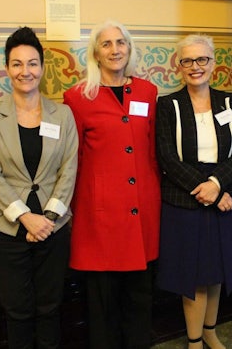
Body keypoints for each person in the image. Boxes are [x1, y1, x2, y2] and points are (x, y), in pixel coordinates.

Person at [0, 26, 78, 349]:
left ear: (43, 67)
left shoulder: (62, 115)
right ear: (7, 68)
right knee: (17, 312)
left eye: (32, 63)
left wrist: (47, 218)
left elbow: (69, 168)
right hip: (7, 229)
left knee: (50, 308)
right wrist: (26, 218)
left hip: (53, 227)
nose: (26, 71)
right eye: (17, 64)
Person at [63, 20, 161, 349]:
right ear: (95, 53)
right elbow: (71, 159)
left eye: (121, 42)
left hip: (141, 213)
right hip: (100, 217)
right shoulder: (78, 97)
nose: (115, 49)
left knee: (139, 300)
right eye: (106, 44)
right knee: (102, 305)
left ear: (129, 49)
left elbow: (151, 152)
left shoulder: (147, 92)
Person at [156, 34, 232, 349]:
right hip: (184, 202)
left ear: (213, 64)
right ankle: (195, 341)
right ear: (179, 66)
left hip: (223, 198)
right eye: (188, 60)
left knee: (216, 272)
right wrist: (206, 188)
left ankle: (210, 330)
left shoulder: (229, 101)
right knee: (195, 277)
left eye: (202, 60)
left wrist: (217, 184)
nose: (195, 66)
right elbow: (167, 156)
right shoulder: (168, 104)